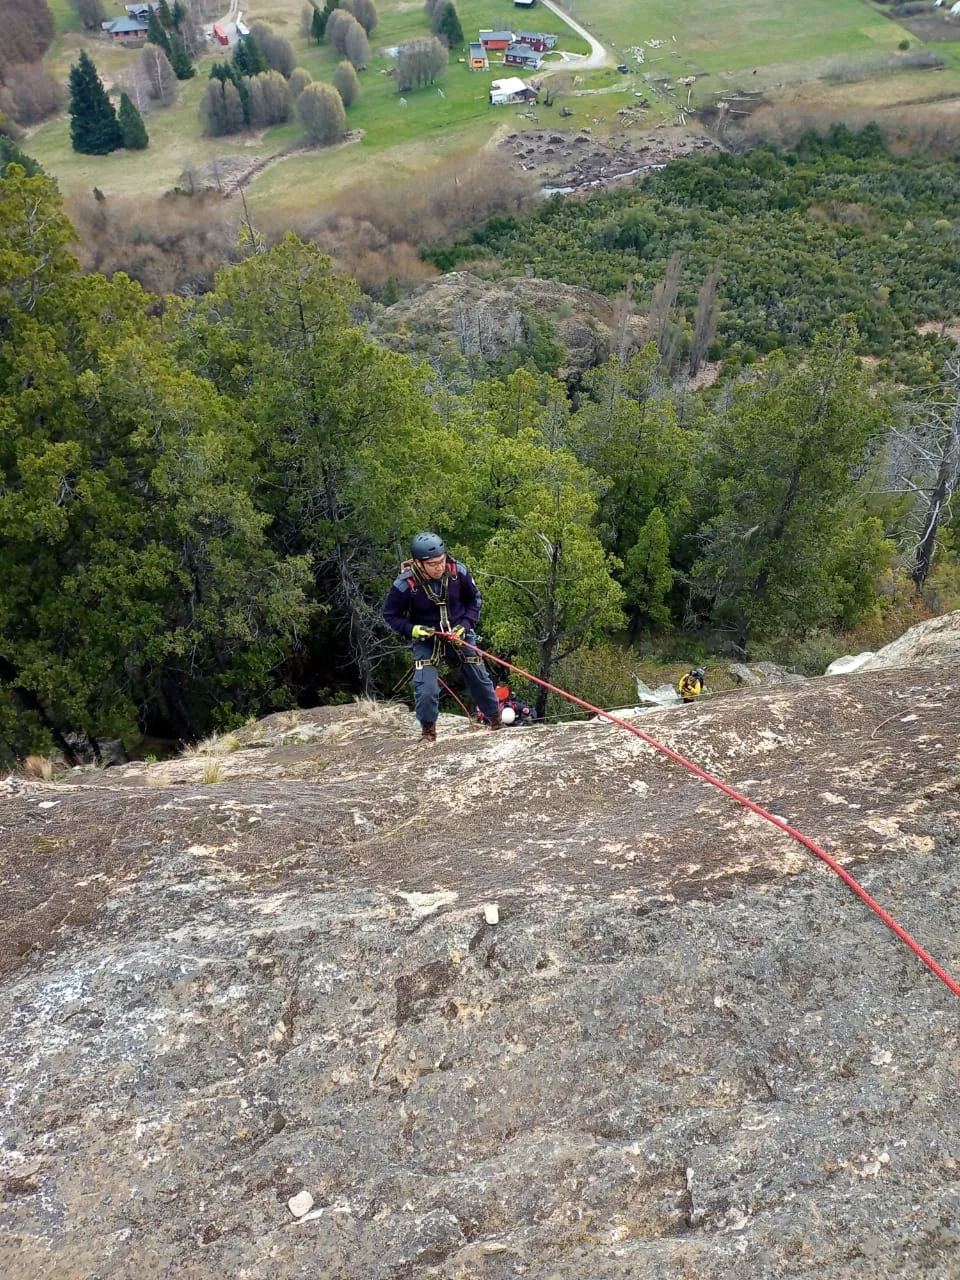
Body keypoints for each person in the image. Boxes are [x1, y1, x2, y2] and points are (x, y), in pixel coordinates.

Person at [383, 532, 503, 743]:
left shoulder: (458, 573)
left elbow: (475, 600)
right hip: (427, 640)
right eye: (433, 564)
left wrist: (464, 626)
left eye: (442, 560)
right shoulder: (405, 585)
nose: (440, 567)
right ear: (419, 564)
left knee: (477, 673)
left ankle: (496, 721)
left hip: (459, 633)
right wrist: (411, 630)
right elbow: (389, 615)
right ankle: (428, 732)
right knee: (426, 687)